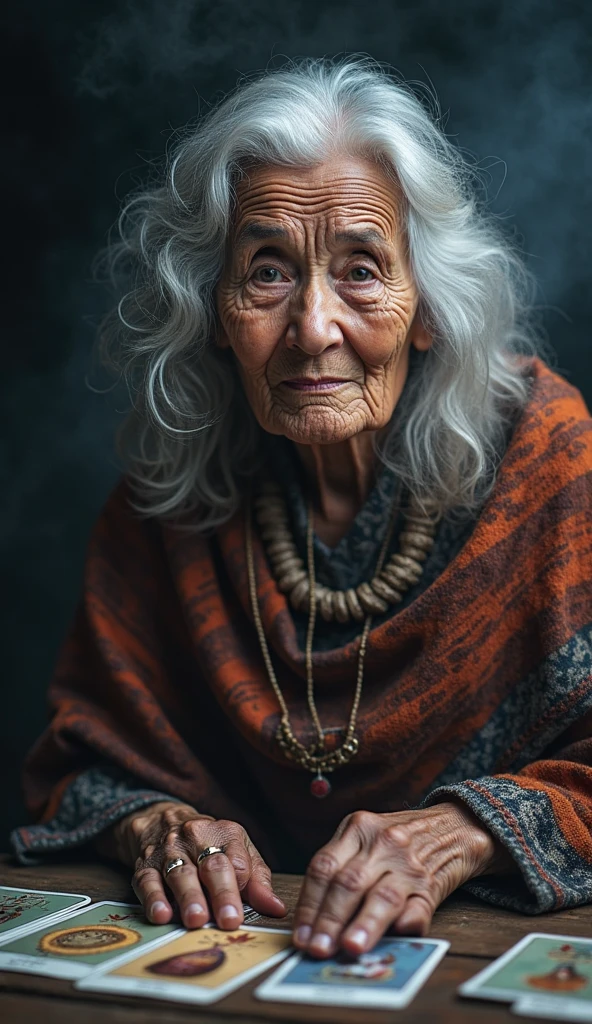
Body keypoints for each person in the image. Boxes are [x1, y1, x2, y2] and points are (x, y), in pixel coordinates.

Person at [13, 58, 592, 962]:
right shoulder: (169, 496)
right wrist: (155, 824)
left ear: (427, 307)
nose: (314, 326)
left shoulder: (548, 461)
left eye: (362, 270)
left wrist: (468, 828)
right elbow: (80, 762)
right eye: (269, 271)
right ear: (214, 308)